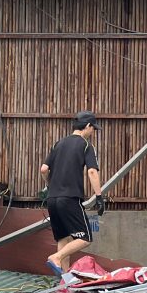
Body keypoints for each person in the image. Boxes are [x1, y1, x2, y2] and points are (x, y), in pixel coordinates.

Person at [40, 111, 106, 275]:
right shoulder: (86, 145)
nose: (93, 133)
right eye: (93, 129)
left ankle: (65, 279)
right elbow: (92, 171)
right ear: (88, 126)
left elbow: (44, 169)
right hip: (70, 198)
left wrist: (49, 186)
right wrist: (99, 197)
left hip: (52, 199)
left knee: (64, 238)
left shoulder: (58, 144)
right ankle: (56, 257)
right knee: (85, 238)